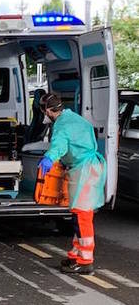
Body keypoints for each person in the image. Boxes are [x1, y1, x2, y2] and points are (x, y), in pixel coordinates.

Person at [38, 93, 106, 275]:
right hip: (89, 166)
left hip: (83, 170)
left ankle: (85, 262)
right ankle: (76, 255)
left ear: (48, 110)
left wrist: (49, 158)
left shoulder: (62, 125)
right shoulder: (74, 117)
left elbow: (59, 146)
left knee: (82, 216)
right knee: (78, 215)